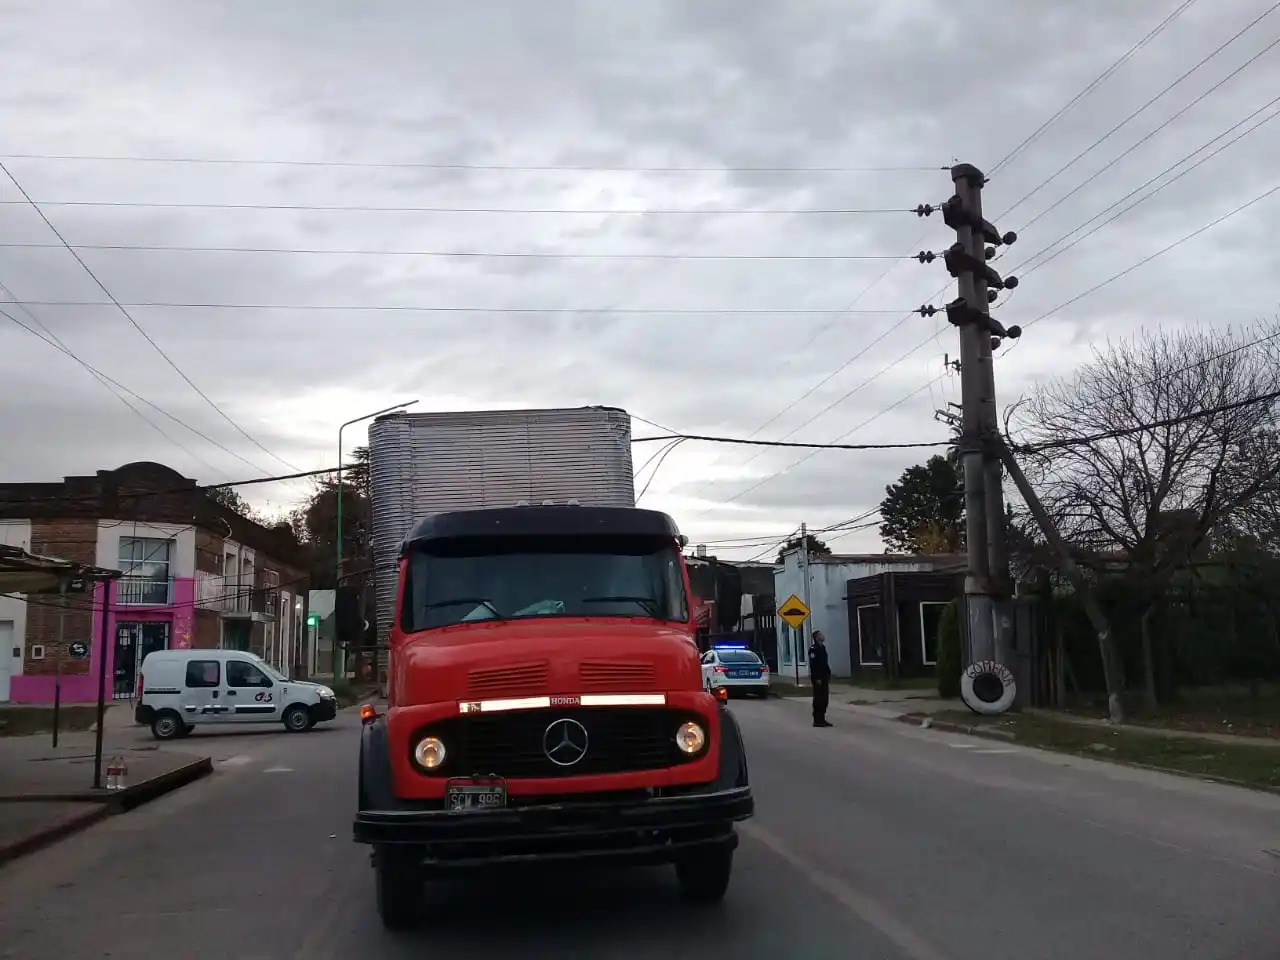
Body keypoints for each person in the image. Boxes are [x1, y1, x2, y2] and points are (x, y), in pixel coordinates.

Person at [809, 629, 832, 727]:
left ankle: (822, 718)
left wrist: (828, 672)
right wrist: (817, 677)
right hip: (817, 677)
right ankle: (817, 719)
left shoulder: (822, 647)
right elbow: (813, 665)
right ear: (817, 637)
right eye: (821, 635)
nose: (823, 636)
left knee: (824, 698)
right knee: (818, 698)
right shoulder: (813, 649)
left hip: (824, 676)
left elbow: (824, 663)